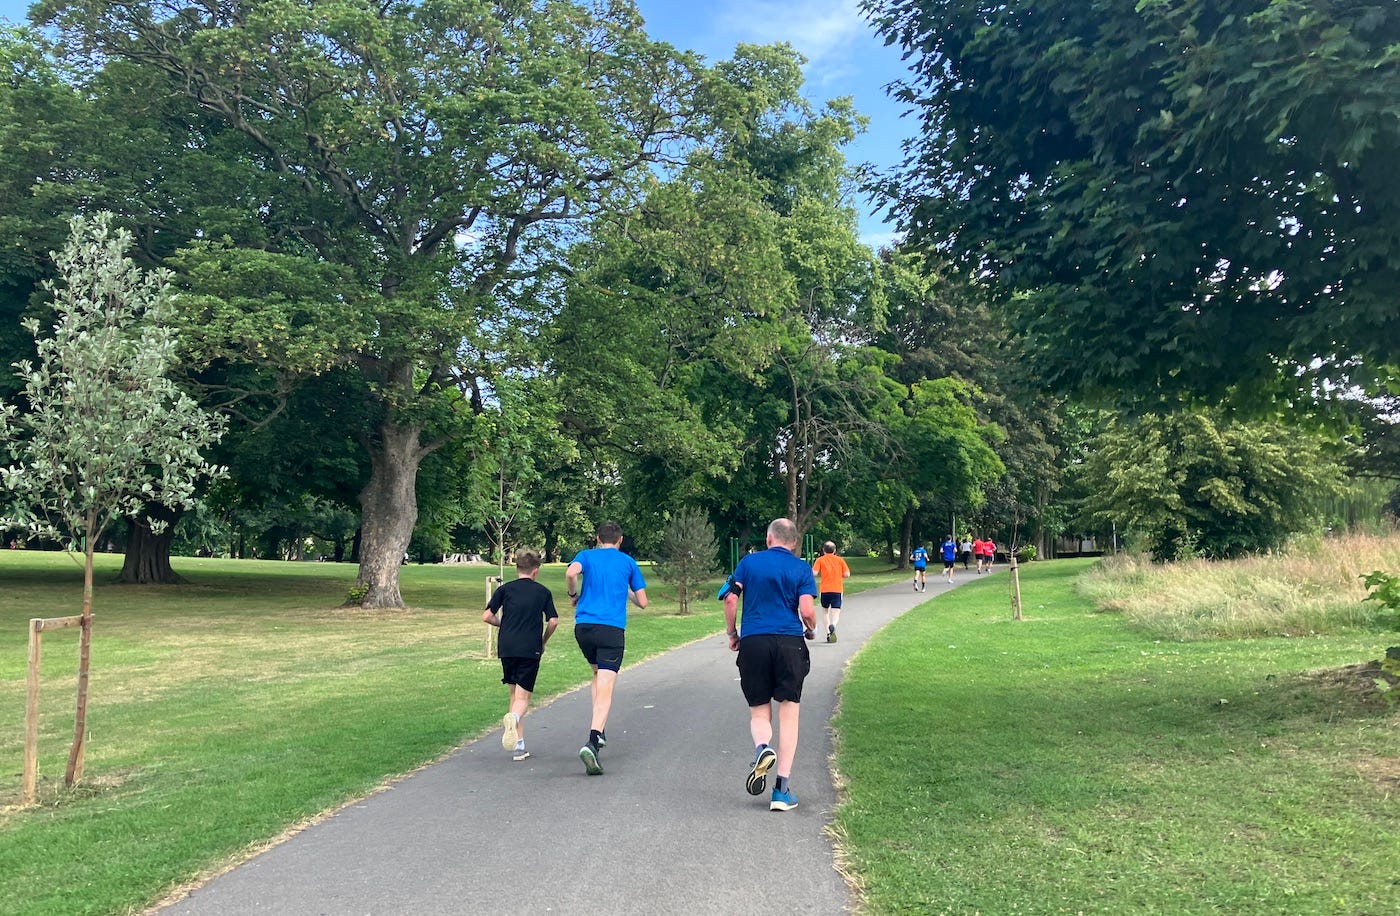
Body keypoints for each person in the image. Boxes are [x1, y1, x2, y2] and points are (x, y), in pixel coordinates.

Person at [723, 518, 818, 812]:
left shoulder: (748, 564)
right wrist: (811, 629)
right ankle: (781, 790)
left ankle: (763, 748)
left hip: (754, 642)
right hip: (789, 643)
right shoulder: (801, 568)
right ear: (793, 543)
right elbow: (807, 610)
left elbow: (729, 599)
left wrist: (732, 633)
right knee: (789, 715)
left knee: (759, 710)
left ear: (768, 539)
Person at [566, 521, 647, 776]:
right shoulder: (628, 563)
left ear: (597, 538)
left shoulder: (585, 556)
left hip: (584, 627)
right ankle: (593, 740)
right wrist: (628, 590)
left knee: (596, 674)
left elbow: (571, 573)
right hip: (611, 629)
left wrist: (572, 595)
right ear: (620, 540)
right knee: (607, 683)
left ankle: (598, 728)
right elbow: (643, 602)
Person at [482, 550, 559, 761]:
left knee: (514, 695)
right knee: (523, 698)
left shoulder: (505, 590)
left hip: (506, 647)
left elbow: (487, 616)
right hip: (529, 648)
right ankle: (514, 720)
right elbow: (553, 621)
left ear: (517, 569)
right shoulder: (542, 592)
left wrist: (503, 624)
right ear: (535, 571)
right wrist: (543, 641)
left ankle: (518, 745)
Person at [810, 540, 851, 643]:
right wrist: (838, 575)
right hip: (837, 589)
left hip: (825, 589)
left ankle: (828, 632)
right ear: (835, 550)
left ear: (824, 550)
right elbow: (847, 574)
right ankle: (834, 625)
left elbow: (814, 573)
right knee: (836, 611)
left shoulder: (820, 560)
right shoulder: (840, 560)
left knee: (825, 611)